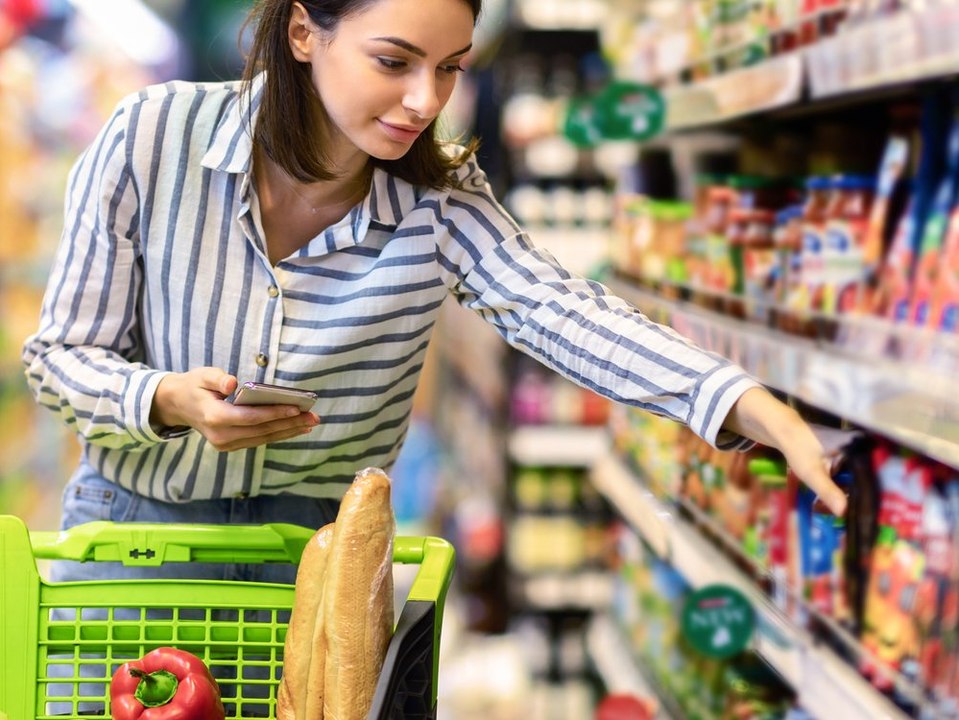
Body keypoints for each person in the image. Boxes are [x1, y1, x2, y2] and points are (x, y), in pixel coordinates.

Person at [22, 0, 847, 590]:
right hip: (136, 548)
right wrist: (164, 396)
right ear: (305, 30)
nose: (426, 101)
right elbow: (58, 358)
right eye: (394, 61)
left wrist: (745, 404)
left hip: (322, 569)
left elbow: (558, 308)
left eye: (450, 68)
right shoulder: (153, 135)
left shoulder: (440, 198)